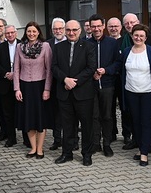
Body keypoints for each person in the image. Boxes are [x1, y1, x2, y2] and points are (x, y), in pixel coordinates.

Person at [51, 20, 97, 166]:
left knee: (86, 125)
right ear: (65, 31)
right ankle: (67, 153)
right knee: (67, 125)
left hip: (83, 93)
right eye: (68, 30)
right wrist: (65, 79)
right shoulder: (58, 47)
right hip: (65, 93)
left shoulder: (89, 46)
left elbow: (91, 68)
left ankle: (87, 154)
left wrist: (74, 81)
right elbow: (54, 67)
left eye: (74, 30)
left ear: (80, 30)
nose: (71, 33)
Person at [121, 24, 151, 167]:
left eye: (141, 36)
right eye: (136, 35)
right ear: (132, 36)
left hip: (148, 93)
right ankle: (140, 147)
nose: (138, 38)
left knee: (146, 122)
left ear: (146, 38)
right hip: (130, 92)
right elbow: (122, 70)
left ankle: (144, 152)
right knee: (135, 122)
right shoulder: (127, 51)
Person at [14, 21, 53, 159]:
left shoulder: (45, 46)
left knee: (40, 118)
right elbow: (16, 68)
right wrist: (17, 89)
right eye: (29, 31)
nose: (31, 34)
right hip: (25, 86)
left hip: (40, 86)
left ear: (38, 33)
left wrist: (47, 89)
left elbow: (49, 69)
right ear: (26, 32)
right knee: (28, 118)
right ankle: (33, 148)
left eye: (34, 31)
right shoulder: (19, 47)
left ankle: (40, 149)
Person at [88, 14, 121, 158]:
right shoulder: (86, 43)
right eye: (93, 26)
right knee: (94, 116)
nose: (96, 29)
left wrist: (106, 70)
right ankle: (96, 143)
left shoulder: (112, 43)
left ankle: (107, 143)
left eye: (98, 26)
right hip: (90, 86)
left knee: (107, 116)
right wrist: (92, 74)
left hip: (107, 85)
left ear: (103, 26)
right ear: (90, 27)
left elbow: (118, 63)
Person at [0, 25, 18, 147]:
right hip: (5, 83)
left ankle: (26, 138)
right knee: (7, 113)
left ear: (16, 33)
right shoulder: (0, 48)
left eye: (12, 32)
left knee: (21, 111)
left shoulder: (22, 45)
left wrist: (16, 74)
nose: (9, 35)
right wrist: (6, 74)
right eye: (7, 33)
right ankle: (11, 137)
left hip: (20, 84)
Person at [46, 17, 67, 151]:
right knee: (55, 114)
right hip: (53, 84)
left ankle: (72, 140)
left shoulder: (73, 41)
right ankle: (57, 139)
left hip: (68, 84)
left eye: (60, 28)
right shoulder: (47, 44)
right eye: (55, 29)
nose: (58, 31)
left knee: (70, 114)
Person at [107, 17, 126, 144]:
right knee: (109, 108)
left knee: (125, 108)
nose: (113, 28)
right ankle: (111, 133)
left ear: (120, 27)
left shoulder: (126, 40)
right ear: (107, 28)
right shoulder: (105, 42)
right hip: (109, 80)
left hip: (123, 80)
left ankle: (127, 134)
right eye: (111, 26)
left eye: (116, 26)